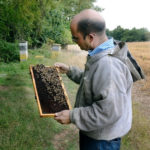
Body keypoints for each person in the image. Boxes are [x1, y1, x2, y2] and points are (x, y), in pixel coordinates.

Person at [54, 9, 133, 150]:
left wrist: (73, 116)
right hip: (96, 134)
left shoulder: (109, 65)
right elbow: (92, 82)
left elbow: (108, 111)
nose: (74, 41)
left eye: (75, 38)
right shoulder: (100, 54)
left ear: (90, 37)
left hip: (102, 142)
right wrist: (69, 70)